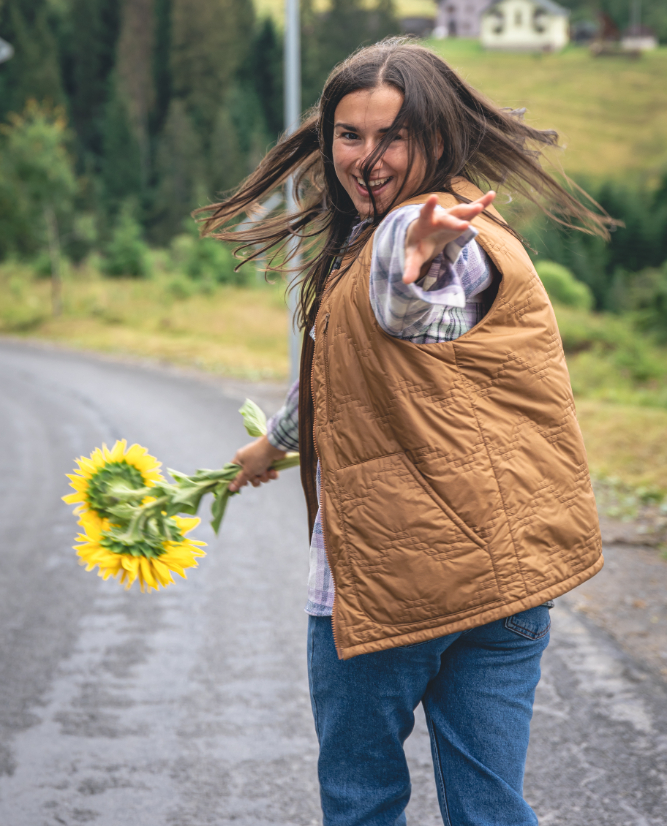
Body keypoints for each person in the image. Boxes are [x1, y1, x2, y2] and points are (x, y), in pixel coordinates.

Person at [199, 40, 610, 826]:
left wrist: (410, 257)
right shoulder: (392, 237)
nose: (366, 156)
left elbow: (416, 316)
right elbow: (353, 366)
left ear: (436, 138)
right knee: (489, 808)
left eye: (391, 136)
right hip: (501, 579)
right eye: (348, 135)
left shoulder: (429, 232)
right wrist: (272, 445)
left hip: (388, 583)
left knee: (361, 804)